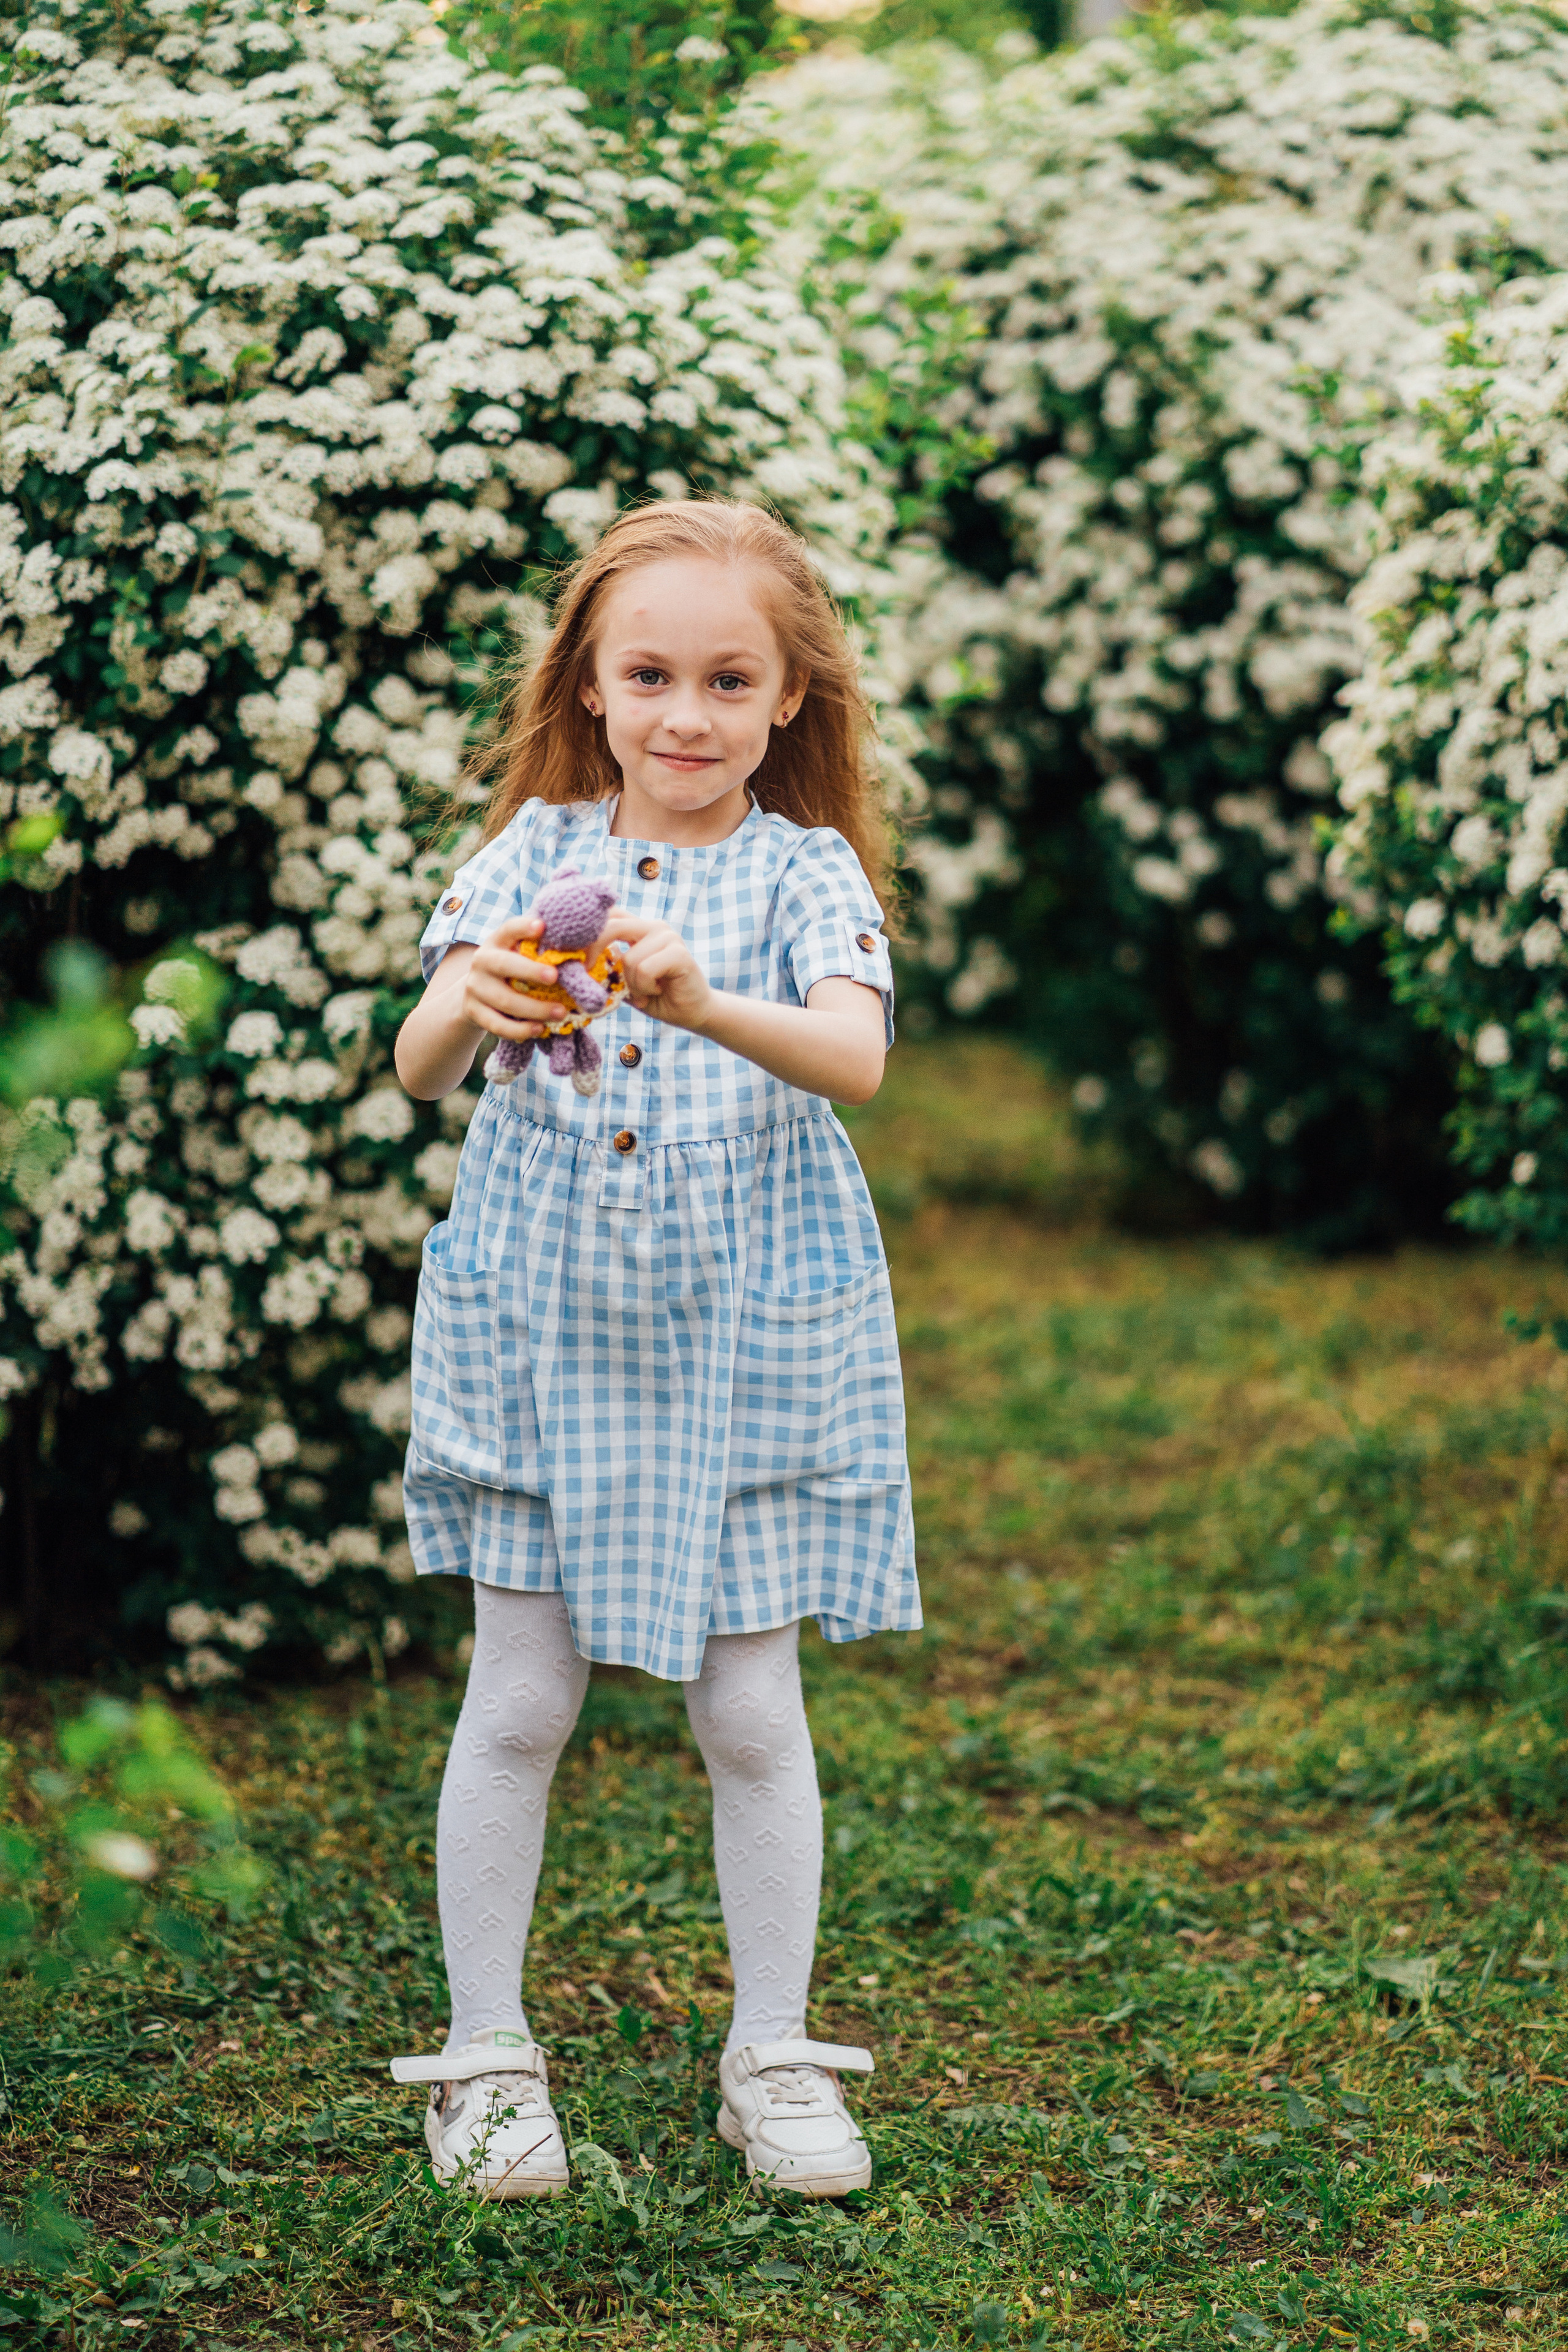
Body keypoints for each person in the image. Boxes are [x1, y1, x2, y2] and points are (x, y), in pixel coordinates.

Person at [387, 499, 920, 2204]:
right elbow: (414, 1067)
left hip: (743, 1337)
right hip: (545, 1329)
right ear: (595, 689)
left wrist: (697, 1003)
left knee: (751, 1711)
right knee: (522, 1695)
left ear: (786, 703)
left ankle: (773, 2050)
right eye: (651, 675)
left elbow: (852, 1062)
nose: (686, 714)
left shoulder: (802, 873)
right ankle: (484, 2061)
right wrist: (480, 996)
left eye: (728, 679)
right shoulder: (528, 853)